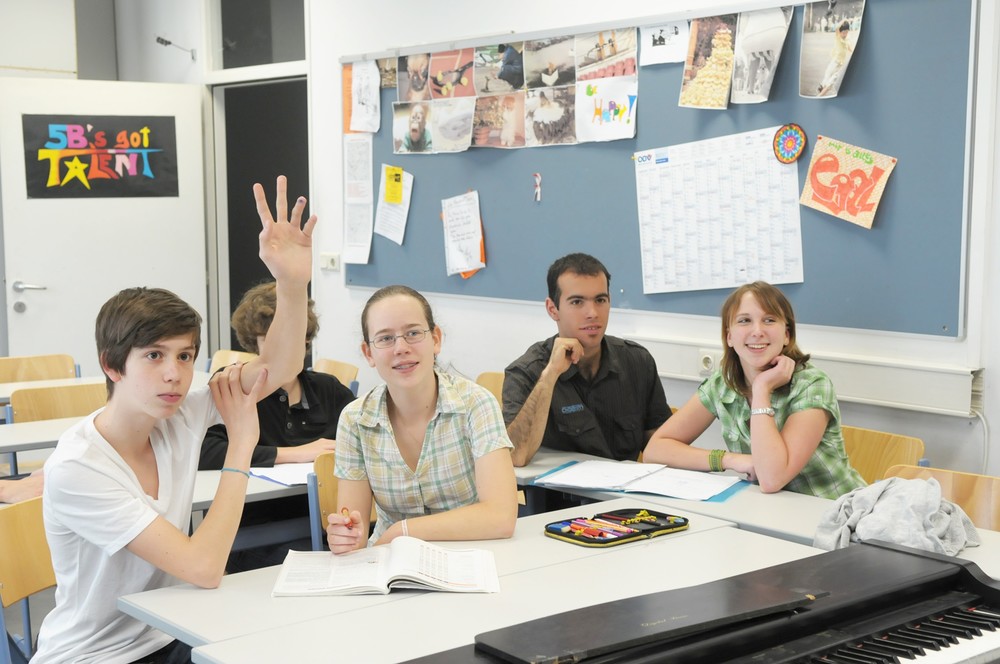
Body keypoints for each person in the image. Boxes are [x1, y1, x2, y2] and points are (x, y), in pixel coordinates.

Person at [34, 175, 316, 664]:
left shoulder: (180, 410)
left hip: (169, 635)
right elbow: (204, 567)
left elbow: (281, 367)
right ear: (111, 364)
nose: (174, 374)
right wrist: (240, 448)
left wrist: (292, 283)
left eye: (186, 356)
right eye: (154, 356)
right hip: (95, 658)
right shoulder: (80, 468)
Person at [326, 285, 517, 554]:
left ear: (436, 339)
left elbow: (500, 517)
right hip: (390, 564)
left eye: (413, 333)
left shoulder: (476, 404)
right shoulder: (355, 420)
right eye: (385, 338)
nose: (401, 348)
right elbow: (354, 535)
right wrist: (346, 537)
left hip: (471, 556)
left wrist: (402, 531)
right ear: (368, 353)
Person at [642, 281, 866, 500]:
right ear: (729, 336)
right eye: (744, 321)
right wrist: (728, 460)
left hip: (836, 516)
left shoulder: (812, 385)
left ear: (787, 334)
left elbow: (771, 479)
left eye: (769, 320)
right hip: (771, 512)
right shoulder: (722, 383)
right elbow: (655, 451)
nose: (757, 331)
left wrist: (761, 389)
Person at [198, 281, 357, 571]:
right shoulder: (235, 385)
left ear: (305, 342)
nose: (283, 351)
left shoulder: (327, 388)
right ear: (254, 343)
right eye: (270, 342)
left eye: (293, 340)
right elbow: (206, 451)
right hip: (255, 529)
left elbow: (363, 437)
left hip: (328, 525)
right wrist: (290, 453)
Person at [503, 253, 671, 467]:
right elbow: (516, 455)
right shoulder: (526, 371)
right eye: (577, 302)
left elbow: (661, 445)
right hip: (558, 499)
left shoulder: (638, 361)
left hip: (623, 495)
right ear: (553, 309)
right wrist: (550, 375)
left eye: (600, 300)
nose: (592, 313)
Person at [817, 20, 854, 96]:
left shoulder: (846, 39)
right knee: (827, 76)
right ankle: (822, 88)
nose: (845, 34)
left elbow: (850, 48)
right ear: (840, 32)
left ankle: (821, 92)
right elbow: (837, 27)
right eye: (843, 32)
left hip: (840, 64)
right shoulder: (838, 37)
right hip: (835, 62)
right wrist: (844, 20)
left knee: (831, 81)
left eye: (847, 32)